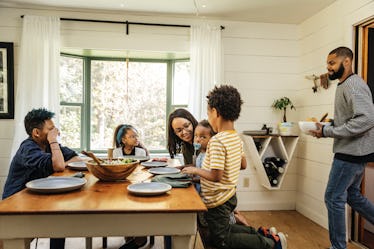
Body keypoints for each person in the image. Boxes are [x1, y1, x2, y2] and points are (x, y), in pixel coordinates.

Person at [182, 85, 287, 249]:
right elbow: (243, 164)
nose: (208, 118)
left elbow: (216, 175)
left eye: (209, 113)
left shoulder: (217, 140)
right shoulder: (235, 137)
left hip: (218, 200)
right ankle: (262, 234)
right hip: (229, 195)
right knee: (227, 229)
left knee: (222, 240)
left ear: (216, 112)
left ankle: (271, 244)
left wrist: (195, 170)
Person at [310, 46, 374, 249]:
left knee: (333, 197)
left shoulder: (354, 85)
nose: (328, 67)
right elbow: (350, 119)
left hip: (350, 155)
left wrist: (328, 132)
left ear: (346, 62)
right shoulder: (343, 84)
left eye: (332, 63)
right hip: (353, 153)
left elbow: (366, 119)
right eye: (327, 63)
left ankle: (337, 247)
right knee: (352, 196)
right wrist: (327, 127)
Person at [2, 108, 82, 249]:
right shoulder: (28, 149)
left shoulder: (47, 146)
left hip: (34, 200)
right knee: (59, 220)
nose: (55, 132)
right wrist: (53, 142)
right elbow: (58, 165)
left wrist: (62, 161)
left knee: (60, 220)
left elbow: (76, 158)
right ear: (36, 133)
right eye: (51, 129)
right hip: (15, 207)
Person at [193, 119, 250, 227]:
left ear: (212, 138)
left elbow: (212, 175)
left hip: (216, 195)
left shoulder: (211, 154)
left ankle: (240, 225)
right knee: (209, 221)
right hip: (206, 194)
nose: (198, 140)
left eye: (203, 137)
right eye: (196, 136)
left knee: (225, 223)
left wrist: (194, 175)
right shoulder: (200, 153)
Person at [113, 124, 149, 249]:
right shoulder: (116, 152)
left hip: (138, 182)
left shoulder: (141, 151)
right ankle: (130, 235)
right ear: (123, 140)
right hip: (120, 183)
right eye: (132, 136)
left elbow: (144, 170)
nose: (136, 138)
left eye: (136, 136)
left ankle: (137, 238)